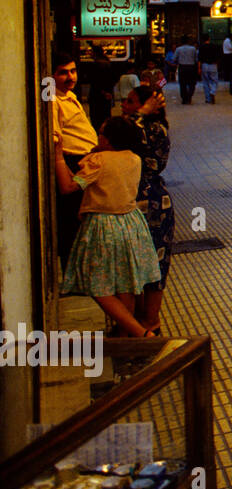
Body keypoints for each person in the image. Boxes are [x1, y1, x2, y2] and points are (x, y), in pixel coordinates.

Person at [53, 117, 162, 337]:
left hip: (103, 225)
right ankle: (126, 335)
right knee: (125, 283)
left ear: (109, 140)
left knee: (95, 284)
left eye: (101, 133)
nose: (97, 135)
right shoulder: (134, 158)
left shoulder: (97, 161)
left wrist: (58, 157)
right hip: (131, 223)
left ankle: (140, 334)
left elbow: (67, 187)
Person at [121, 83, 173, 336]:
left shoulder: (151, 129)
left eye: (130, 101)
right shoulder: (140, 126)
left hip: (152, 203)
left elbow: (123, 130)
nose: (124, 105)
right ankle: (141, 319)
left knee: (155, 261)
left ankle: (151, 322)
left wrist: (143, 111)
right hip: (135, 199)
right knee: (137, 261)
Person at [51, 52, 100, 262]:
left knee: (81, 220)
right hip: (71, 163)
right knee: (71, 221)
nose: (71, 77)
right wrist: (67, 170)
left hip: (83, 161)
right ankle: (71, 271)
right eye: (63, 73)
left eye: (73, 71)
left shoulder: (68, 95)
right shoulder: (52, 100)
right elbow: (54, 141)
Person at [87, 46, 116, 130]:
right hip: (105, 95)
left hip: (97, 96)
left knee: (97, 119)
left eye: (91, 51)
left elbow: (95, 81)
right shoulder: (107, 62)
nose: (90, 53)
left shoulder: (97, 64)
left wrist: (103, 91)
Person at [173, 36, 199, 104]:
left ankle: (184, 98)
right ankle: (189, 95)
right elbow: (196, 59)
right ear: (188, 41)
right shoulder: (193, 49)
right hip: (191, 67)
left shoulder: (178, 49)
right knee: (191, 83)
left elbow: (174, 59)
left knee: (182, 83)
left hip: (182, 67)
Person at [198, 35, 221, 103]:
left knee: (205, 82)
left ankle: (208, 98)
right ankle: (213, 92)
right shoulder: (214, 46)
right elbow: (218, 56)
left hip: (204, 65)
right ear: (209, 39)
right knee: (215, 81)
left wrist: (199, 68)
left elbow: (199, 59)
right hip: (213, 65)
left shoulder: (201, 47)